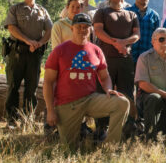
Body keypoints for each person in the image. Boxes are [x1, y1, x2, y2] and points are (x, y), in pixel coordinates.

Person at [42, 13, 130, 148]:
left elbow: (105, 76)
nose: (83, 30)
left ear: (91, 30)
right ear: (72, 29)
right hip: (67, 104)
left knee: (122, 103)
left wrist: (108, 89)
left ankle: (110, 147)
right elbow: (48, 81)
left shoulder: (96, 50)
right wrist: (50, 110)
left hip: (90, 99)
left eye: (86, 27)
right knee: (69, 150)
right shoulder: (60, 51)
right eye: (79, 27)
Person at [4, 0, 52, 127]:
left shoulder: (43, 11)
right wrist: (28, 41)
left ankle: (27, 119)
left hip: (35, 54)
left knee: (31, 88)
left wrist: (40, 43)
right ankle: (11, 120)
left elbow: (50, 30)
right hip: (16, 52)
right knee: (13, 86)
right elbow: (11, 28)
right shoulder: (15, 9)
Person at [93, 0, 140, 136]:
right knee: (103, 92)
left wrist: (124, 43)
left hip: (125, 60)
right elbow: (98, 31)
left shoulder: (131, 14)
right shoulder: (102, 12)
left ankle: (128, 126)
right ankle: (101, 127)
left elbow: (137, 35)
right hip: (105, 59)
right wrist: (116, 43)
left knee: (126, 92)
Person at [126, 0, 161, 65]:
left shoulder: (154, 16)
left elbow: (157, 38)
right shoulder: (126, 12)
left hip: (147, 59)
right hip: (128, 57)